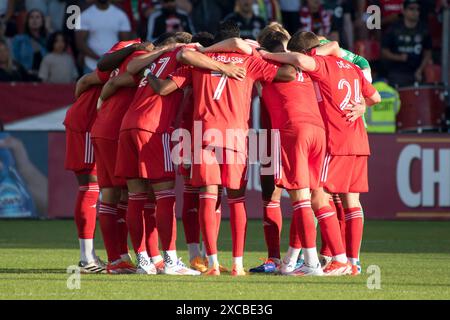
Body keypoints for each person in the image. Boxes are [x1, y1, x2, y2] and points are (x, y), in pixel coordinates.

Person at [146, 20, 296, 276]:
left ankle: (211, 263)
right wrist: (261, 51)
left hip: (204, 134)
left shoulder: (196, 62)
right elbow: (289, 73)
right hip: (236, 136)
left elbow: (164, 88)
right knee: (236, 200)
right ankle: (237, 265)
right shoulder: (249, 62)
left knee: (208, 195)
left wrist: (149, 73)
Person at [260, 31, 381, 276]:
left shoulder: (318, 63)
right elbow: (375, 96)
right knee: (350, 202)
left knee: (313, 197)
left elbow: (304, 61)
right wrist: (363, 107)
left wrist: (269, 54)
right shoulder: (351, 66)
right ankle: (351, 261)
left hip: (333, 137)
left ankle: (330, 260)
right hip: (358, 137)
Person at [64, 39, 147, 274]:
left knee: (116, 190)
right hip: (88, 124)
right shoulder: (112, 70)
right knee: (91, 186)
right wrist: (86, 105)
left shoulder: (115, 69)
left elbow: (83, 82)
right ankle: (86, 257)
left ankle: (118, 255)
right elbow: (84, 81)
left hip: (97, 124)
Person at [381, 0, 432, 87]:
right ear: (403, 11)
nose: (415, 12)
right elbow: (384, 52)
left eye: (417, 9)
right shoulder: (393, 29)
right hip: (396, 71)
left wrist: (420, 70)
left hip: (417, 72)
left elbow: (428, 53)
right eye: (411, 9)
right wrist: (398, 57)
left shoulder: (424, 30)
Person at [76, 0, 131, 74]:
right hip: (91, 65)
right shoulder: (85, 15)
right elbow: (80, 43)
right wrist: (100, 59)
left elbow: (126, 43)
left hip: (113, 66)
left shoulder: (120, 15)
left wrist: (111, 59)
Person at [12, 9, 48, 76]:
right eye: (31, 17)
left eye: (37, 17)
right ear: (27, 21)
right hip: (25, 76)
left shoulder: (48, 40)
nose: (34, 20)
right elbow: (14, 60)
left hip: (44, 77)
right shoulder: (18, 39)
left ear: (42, 21)